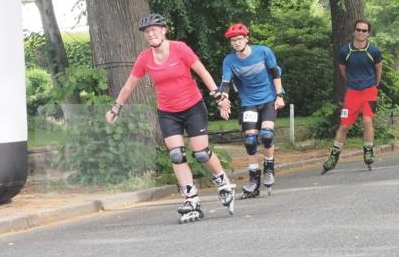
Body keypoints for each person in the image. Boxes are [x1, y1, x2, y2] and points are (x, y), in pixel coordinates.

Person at [105, 13, 234, 223]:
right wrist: (116, 107)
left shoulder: (180, 48)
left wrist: (217, 95)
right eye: (147, 32)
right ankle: (191, 200)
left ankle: (223, 181)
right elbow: (130, 85)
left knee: (201, 153)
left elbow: (202, 72)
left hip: (193, 107)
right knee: (176, 154)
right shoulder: (144, 58)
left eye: (154, 30)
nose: (151, 34)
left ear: (164, 30)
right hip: (167, 112)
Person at [218, 23, 285, 198]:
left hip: (269, 99)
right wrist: (223, 102)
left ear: (247, 39)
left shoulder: (263, 51)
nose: (236, 43)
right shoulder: (229, 60)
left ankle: (269, 167)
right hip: (248, 102)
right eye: (233, 40)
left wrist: (280, 95)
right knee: (250, 140)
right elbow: (225, 84)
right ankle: (254, 180)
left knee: (267, 135)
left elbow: (275, 73)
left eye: (239, 39)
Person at [322, 20, 383, 173]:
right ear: (354, 31)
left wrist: (374, 86)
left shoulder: (373, 51)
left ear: (368, 33)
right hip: (352, 93)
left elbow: (378, 71)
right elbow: (343, 70)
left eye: (364, 30)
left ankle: (368, 151)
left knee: (368, 120)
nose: (361, 33)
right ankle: (334, 156)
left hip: (369, 91)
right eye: (358, 30)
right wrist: (352, 82)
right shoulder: (345, 51)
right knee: (344, 125)